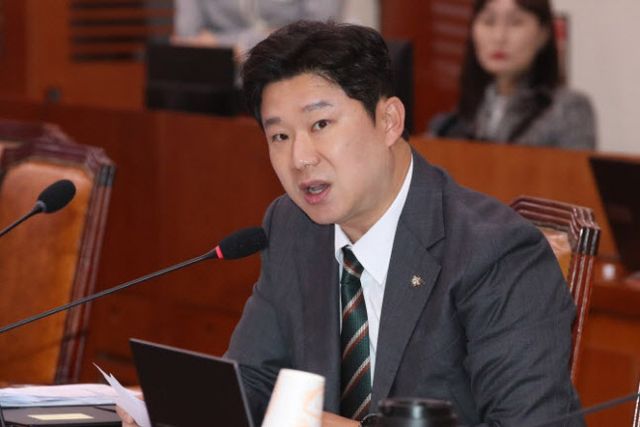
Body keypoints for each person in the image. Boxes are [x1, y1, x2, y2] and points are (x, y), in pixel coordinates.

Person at [120, 20, 583, 427]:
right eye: (279, 135)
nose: (300, 158)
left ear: (389, 120)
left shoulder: (495, 253)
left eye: (321, 124)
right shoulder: (293, 226)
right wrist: (172, 407)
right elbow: (256, 378)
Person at [430, 0, 597, 150]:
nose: (499, 37)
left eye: (515, 23)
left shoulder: (568, 109)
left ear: (543, 34)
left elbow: (573, 174)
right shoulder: (458, 118)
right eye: (489, 22)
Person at [173, 0, 343, 54]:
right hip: (221, 81)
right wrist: (269, 35)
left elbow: (317, 31)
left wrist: (227, 43)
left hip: (294, 67)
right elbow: (187, 39)